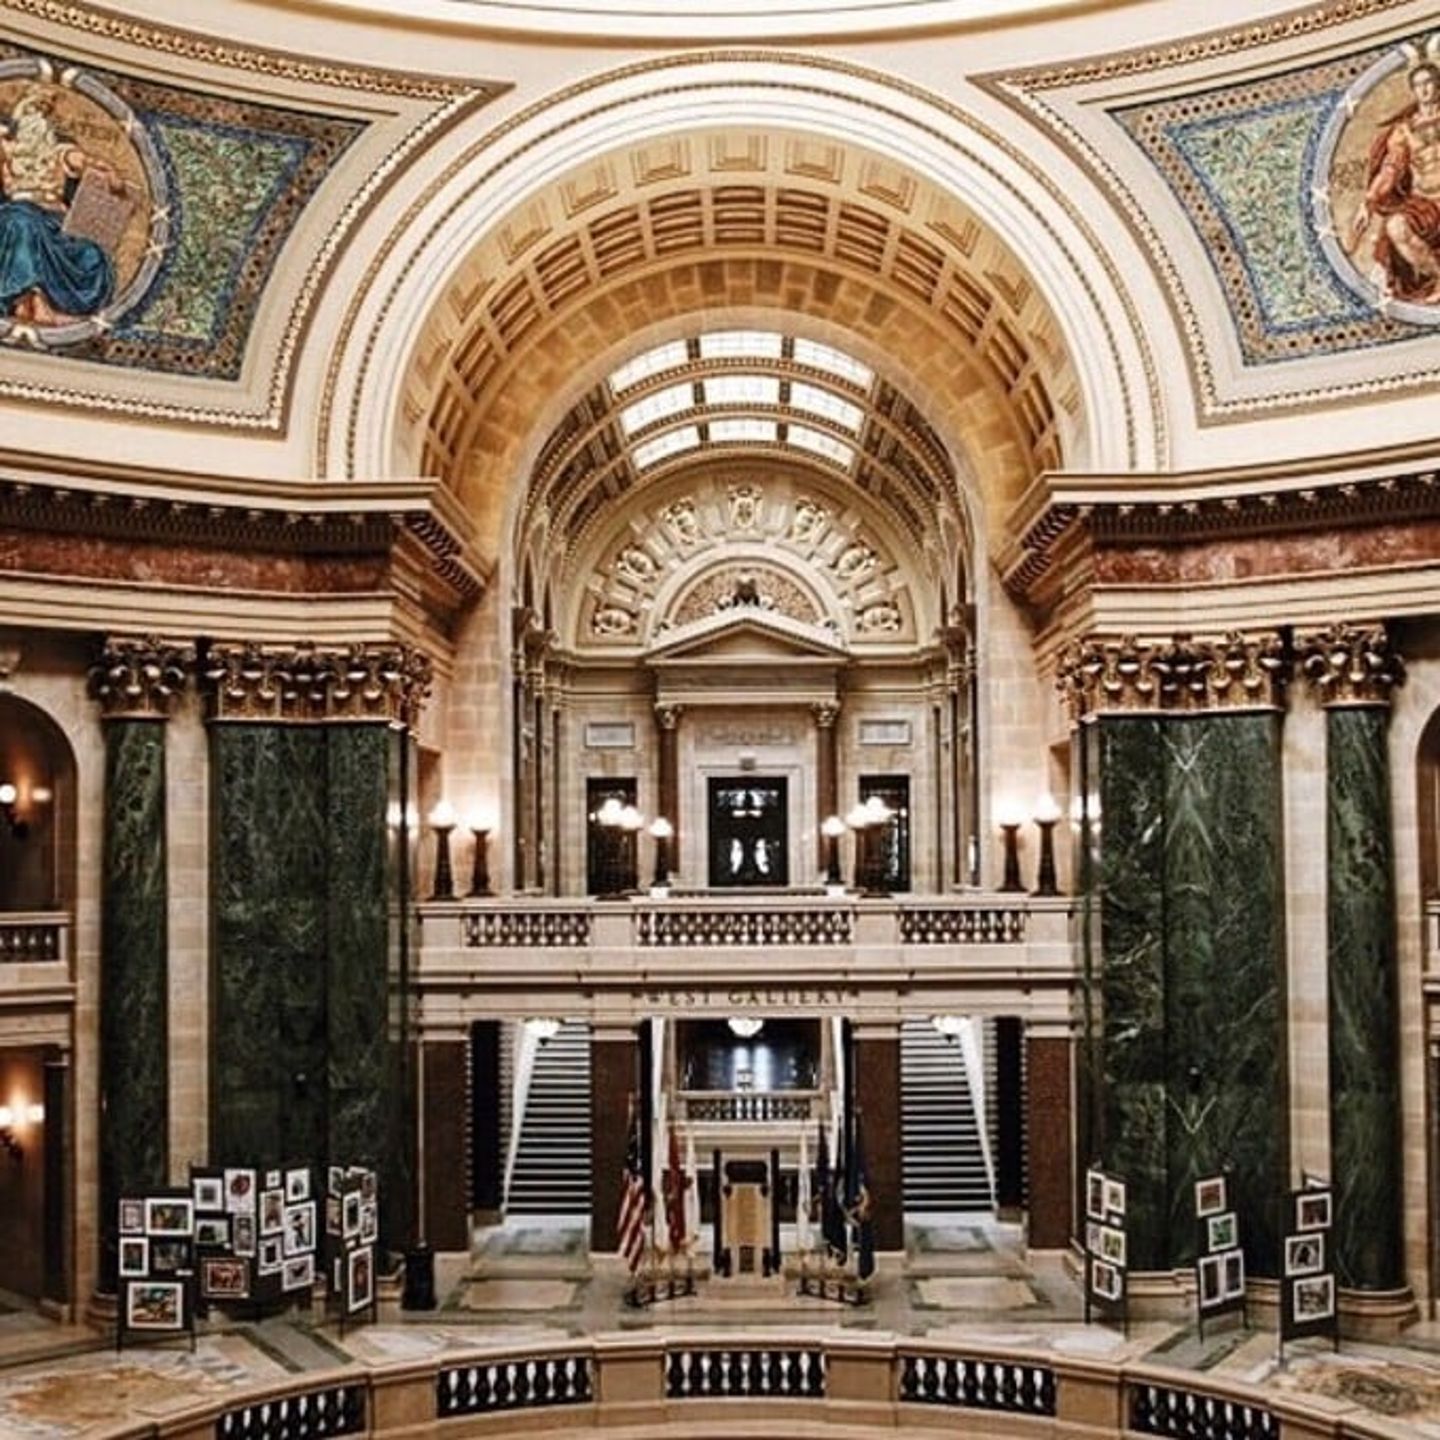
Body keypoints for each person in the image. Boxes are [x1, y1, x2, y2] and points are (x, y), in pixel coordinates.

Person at [0, 85, 124, 325]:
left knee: (92, 254)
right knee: (23, 223)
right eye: (34, 111)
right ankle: (28, 300)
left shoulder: (60, 152)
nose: (40, 119)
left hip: (57, 225)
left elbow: (87, 163)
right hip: (17, 216)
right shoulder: (7, 150)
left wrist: (110, 174)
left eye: (45, 113)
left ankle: (68, 309)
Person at [1351, 60, 1440, 304]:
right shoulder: (1404, 131)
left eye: (1429, 83)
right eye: (1418, 85)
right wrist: (1368, 202)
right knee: (1395, 226)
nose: (1424, 89)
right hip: (1425, 204)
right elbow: (1389, 171)